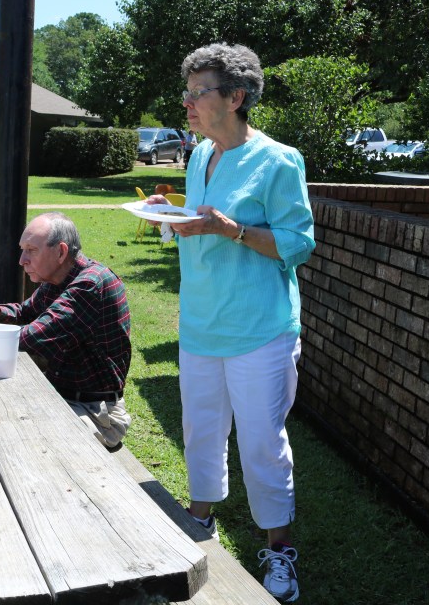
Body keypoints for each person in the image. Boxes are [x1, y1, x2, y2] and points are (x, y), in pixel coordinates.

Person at [147, 43, 314, 603]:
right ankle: (200, 518)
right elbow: (200, 225)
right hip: (201, 323)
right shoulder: (199, 156)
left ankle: (279, 548)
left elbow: (298, 244)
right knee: (200, 429)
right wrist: (169, 218)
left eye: (199, 92)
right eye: (188, 92)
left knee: (262, 443)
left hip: (259, 330)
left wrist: (234, 230)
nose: (188, 103)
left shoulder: (279, 161)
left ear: (236, 97)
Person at [0, 212, 132, 449]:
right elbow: (25, 312)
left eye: (31, 250)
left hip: (97, 413)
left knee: (12, 436)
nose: (22, 260)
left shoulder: (89, 286)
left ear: (61, 252)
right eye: (22, 250)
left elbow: (31, 336)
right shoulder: (59, 277)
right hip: (64, 396)